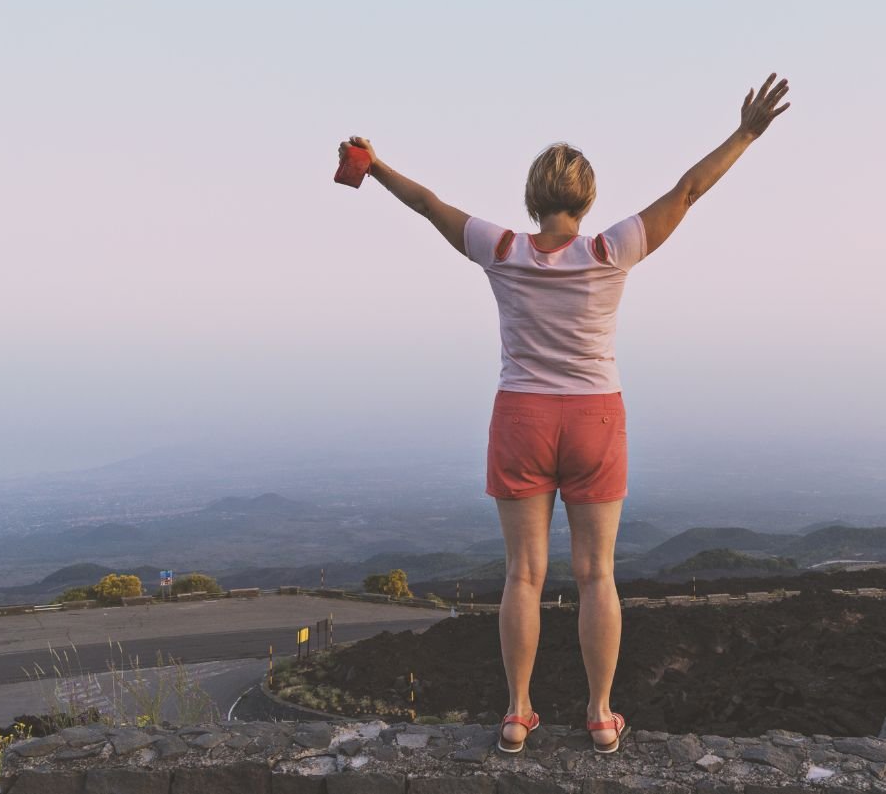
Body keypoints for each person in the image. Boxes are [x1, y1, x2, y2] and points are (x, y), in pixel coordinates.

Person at [338, 72, 791, 754]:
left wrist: (373, 167)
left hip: (520, 417)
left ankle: (518, 711)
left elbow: (429, 203)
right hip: (594, 419)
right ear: (587, 198)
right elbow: (689, 189)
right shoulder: (610, 251)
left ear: (532, 197)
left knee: (523, 573)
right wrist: (747, 133)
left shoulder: (503, 249)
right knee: (595, 574)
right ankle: (602, 715)